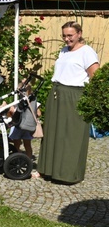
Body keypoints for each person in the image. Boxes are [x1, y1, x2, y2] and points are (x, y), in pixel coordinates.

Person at [38, 21, 99, 184]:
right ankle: (48, 170)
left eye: (70, 35)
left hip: (75, 96)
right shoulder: (64, 51)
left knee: (71, 135)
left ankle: (67, 174)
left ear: (79, 34)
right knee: (52, 133)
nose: (67, 39)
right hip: (57, 94)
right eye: (64, 35)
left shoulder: (87, 52)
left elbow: (95, 77)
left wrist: (90, 100)